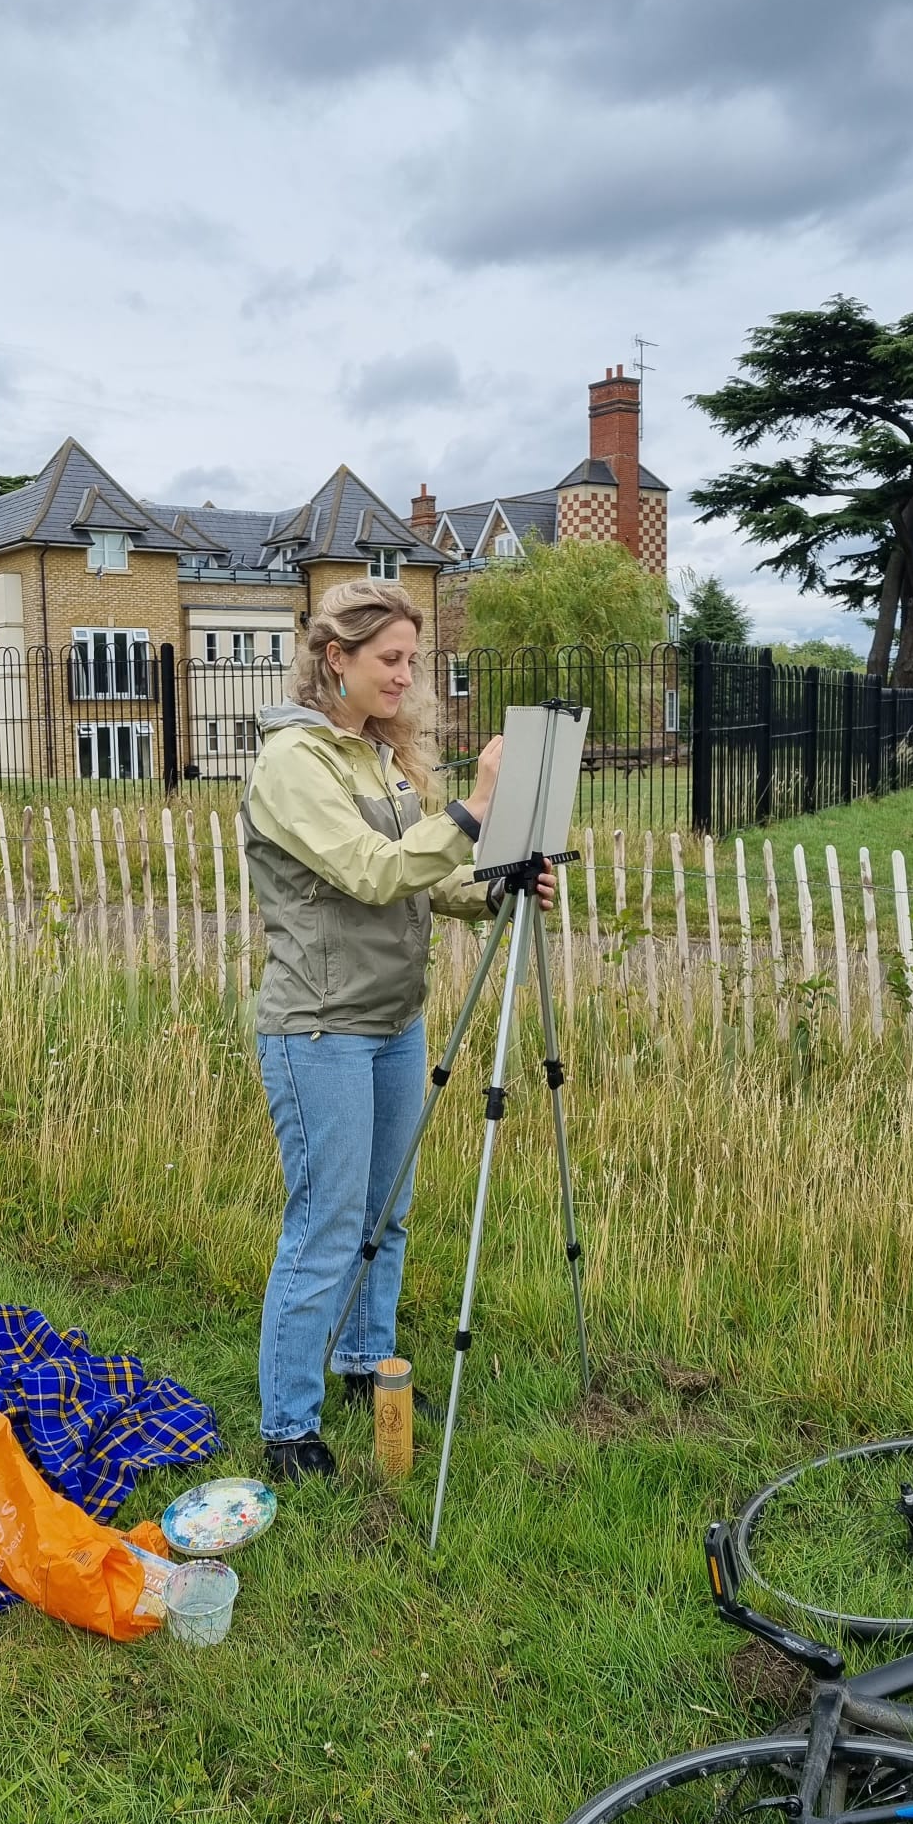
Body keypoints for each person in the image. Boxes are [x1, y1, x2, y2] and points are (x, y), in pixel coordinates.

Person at [240, 580, 555, 1481]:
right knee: (327, 1223)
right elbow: (374, 872)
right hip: (320, 1028)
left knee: (388, 1216)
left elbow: (425, 880)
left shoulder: (375, 756)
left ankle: (362, 1363)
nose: (406, 676)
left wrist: (496, 880)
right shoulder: (294, 762)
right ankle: (288, 1426)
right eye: (391, 659)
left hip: (393, 1021)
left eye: (414, 660)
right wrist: (473, 812)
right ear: (333, 658)